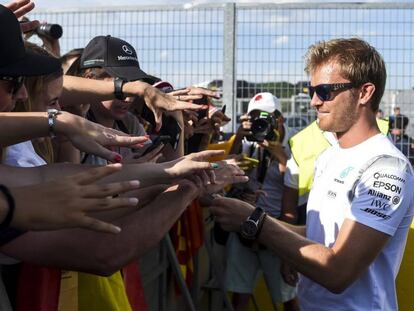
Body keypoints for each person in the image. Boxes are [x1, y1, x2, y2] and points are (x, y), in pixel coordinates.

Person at [210, 38, 414, 310]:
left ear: (364, 93)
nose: (314, 101)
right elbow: (317, 234)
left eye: (325, 91)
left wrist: (255, 221)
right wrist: (240, 213)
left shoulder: (387, 167)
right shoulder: (329, 156)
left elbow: (338, 272)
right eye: (312, 90)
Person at [225, 92, 298, 311]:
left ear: (279, 119)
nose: (260, 122)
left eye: (265, 117)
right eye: (254, 117)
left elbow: (297, 194)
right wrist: (239, 137)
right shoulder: (248, 141)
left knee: (288, 296)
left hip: (278, 226)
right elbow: (227, 175)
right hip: (244, 226)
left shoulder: (295, 143)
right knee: (240, 295)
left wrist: (283, 158)